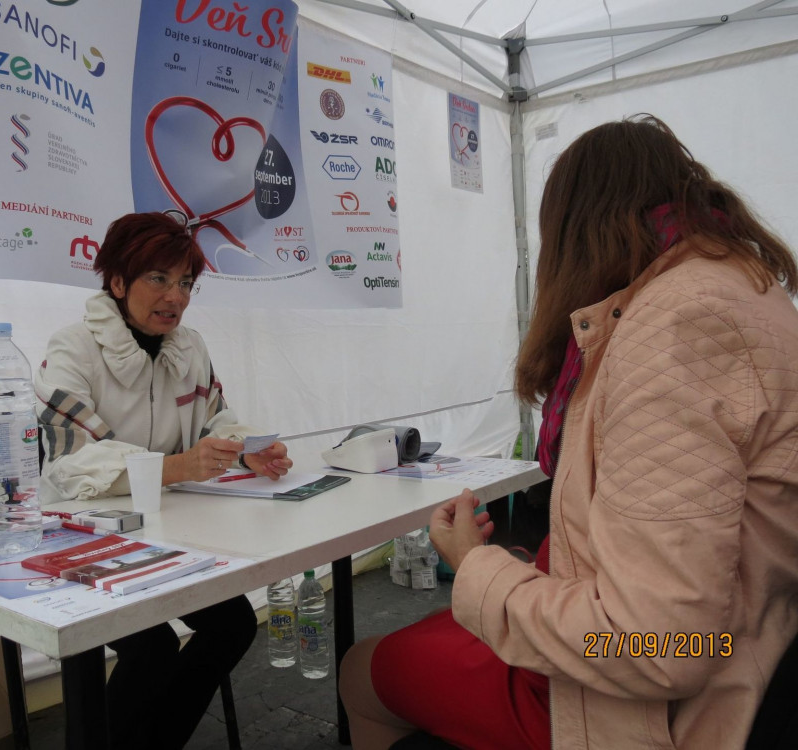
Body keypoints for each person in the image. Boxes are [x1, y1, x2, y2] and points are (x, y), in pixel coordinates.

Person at [339, 115, 798, 750]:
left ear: (576, 233)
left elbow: (662, 647)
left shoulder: (675, 326)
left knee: (361, 670)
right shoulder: (742, 287)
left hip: (657, 703)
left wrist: (474, 565)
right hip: (741, 640)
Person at [35, 210, 292, 749]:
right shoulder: (72, 349)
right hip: (78, 536)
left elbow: (215, 420)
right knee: (150, 647)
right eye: (158, 278)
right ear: (117, 281)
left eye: (186, 283)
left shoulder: (189, 347)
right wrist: (176, 467)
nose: (175, 297)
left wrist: (248, 452)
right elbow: (70, 460)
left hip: (164, 533)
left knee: (233, 624)